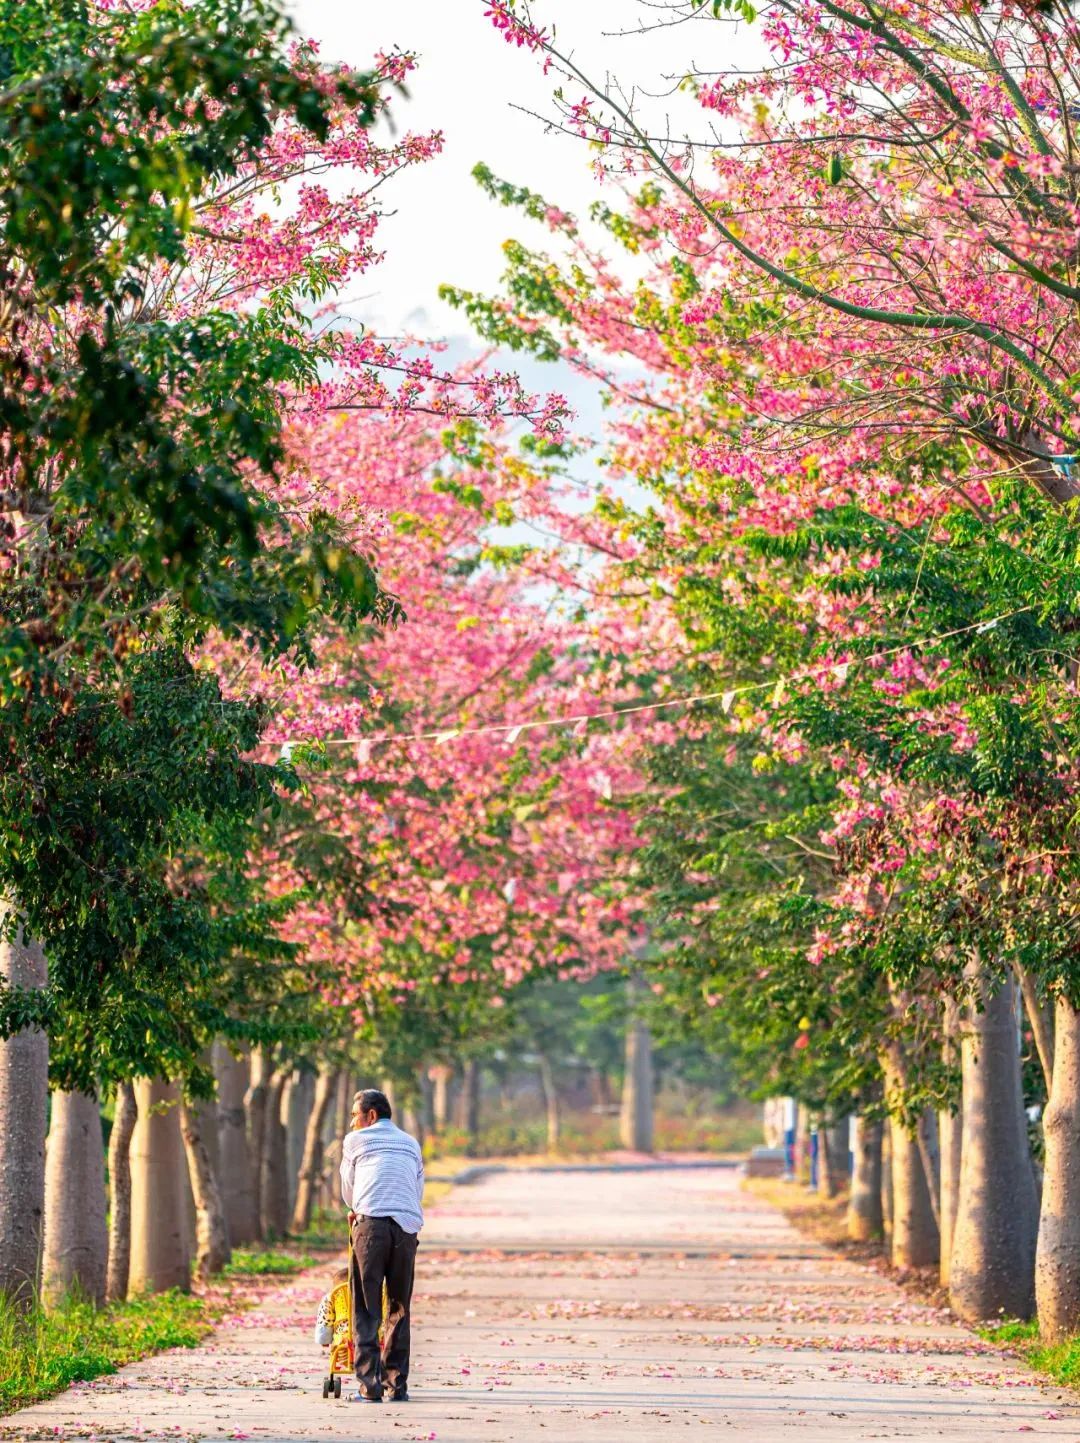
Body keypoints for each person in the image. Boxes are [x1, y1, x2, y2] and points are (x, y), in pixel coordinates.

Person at [339, 1087, 424, 1403]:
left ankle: (369, 1385)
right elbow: (417, 1188)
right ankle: (396, 1384)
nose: (351, 1123)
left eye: (354, 1115)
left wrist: (357, 1210)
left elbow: (349, 1189)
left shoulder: (356, 1141)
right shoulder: (410, 1143)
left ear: (370, 1115)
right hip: (406, 1228)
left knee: (366, 1304)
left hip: (371, 1226)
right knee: (399, 1306)